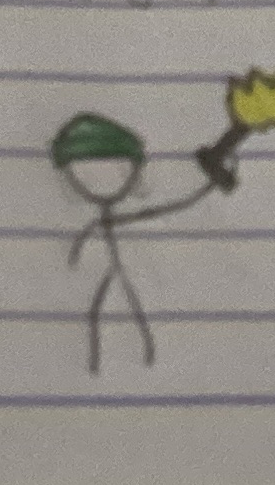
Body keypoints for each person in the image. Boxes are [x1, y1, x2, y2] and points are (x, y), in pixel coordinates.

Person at [48, 109, 230, 374]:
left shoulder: (115, 221)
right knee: (104, 309)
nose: (101, 176)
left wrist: (207, 185)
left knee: (122, 308)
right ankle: (111, 364)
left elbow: (173, 206)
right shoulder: (102, 226)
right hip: (107, 271)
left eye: (115, 167)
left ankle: (133, 360)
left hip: (132, 272)